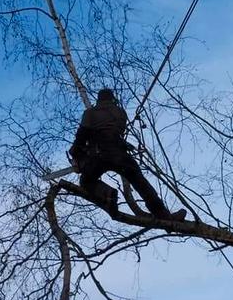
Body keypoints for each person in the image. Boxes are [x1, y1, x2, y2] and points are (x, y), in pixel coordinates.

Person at [69, 88, 187, 220]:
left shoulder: (90, 113)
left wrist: (75, 151)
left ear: (99, 99)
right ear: (112, 99)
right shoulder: (120, 113)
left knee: (86, 181)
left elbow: (82, 135)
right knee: (141, 183)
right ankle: (163, 214)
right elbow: (117, 131)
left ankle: (107, 193)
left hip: (99, 154)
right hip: (120, 153)